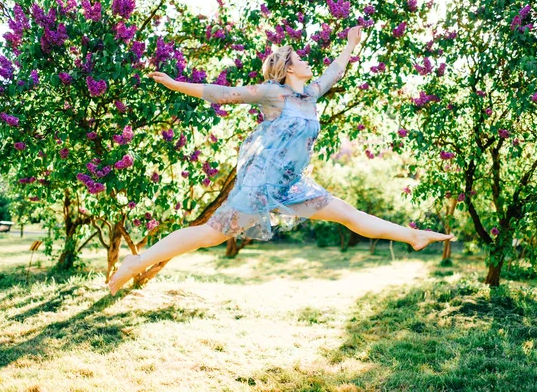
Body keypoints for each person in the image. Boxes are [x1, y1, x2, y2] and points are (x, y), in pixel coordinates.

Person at [107, 25, 454, 296]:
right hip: (261, 183)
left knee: (348, 214)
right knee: (209, 235)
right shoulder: (274, 94)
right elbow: (224, 94)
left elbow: (335, 71)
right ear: (288, 68)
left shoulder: (310, 94)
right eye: (300, 58)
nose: (307, 61)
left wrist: (351, 45)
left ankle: (413, 237)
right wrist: (175, 84)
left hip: (291, 184)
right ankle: (137, 262)